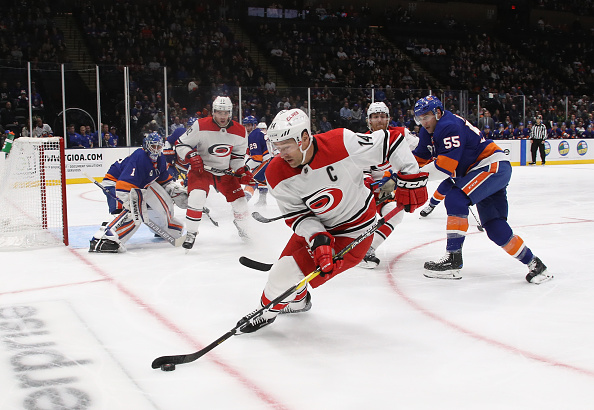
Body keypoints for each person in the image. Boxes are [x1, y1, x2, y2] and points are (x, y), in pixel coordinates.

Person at [236, 108, 427, 333]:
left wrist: (412, 177)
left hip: (355, 233)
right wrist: (318, 238)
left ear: (304, 138)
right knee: (283, 273)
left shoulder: (341, 142)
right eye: (277, 147)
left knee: (285, 272)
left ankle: (265, 313)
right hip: (319, 227)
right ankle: (298, 301)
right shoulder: (276, 172)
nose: (282, 153)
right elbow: (297, 215)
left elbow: (391, 140)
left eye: (286, 146)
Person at [412, 96, 551, 284]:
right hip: (484, 171)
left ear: (437, 113)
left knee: (455, 198)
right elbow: (417, 160)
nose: (423, 122)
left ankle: (453, 260)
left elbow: (444, 167)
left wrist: (410, 178)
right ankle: (535, 265)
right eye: (419, 118)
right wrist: (397, 175)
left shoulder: (448, 125)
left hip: (490, 166)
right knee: (494, 227)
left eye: (426, 117)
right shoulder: (427, 132)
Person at [175, 96, 253, 249]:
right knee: (197, 198)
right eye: (219, 112)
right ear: (213, 112)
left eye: (225, 113)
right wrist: (191, 155)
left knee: (241, 203)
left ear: (230, 112)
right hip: (201, 170)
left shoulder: (240, 131)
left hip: (225, 172)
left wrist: (241, 171)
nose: (222, 116)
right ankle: (191, 233)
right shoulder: (200, 125)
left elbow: (237, 157)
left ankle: (243, 229)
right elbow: (180, 144)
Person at [90, 132, 187, 253]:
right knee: (134, 212)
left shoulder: (161, 158)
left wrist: (174, 190)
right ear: (146, 146)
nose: (156, 150)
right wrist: (130, 202)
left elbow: (163, 180)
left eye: (158, 146)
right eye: (153, 146)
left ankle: (166, 229)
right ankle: (105, 240)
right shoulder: (140, 157)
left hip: (138, 185)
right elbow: (124, 183)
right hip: (114, 183)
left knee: (151, 205)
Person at [358, 101, 419, 268]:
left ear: (388, 119)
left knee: (395, 213)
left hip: (391, 189)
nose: (379, 120)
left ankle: (369, 248)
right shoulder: (363, 141)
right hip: (370, 189)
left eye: (383, 116)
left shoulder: (401, 134)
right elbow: (363, 172)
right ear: (369, 120)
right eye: (375, 117)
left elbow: (421, 150)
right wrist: (371, 183)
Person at [243, 116, 270, 206]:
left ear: (254, 125)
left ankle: (242, 203)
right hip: (273, 160)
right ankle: (262, 200)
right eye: (245, 126)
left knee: (252, 178)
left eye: (249, 125)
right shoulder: (260, 133)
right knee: (260, 178)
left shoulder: (254, 135)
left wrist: (245, 167)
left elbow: (257, 159)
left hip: (268, 161)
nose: (247, 128)